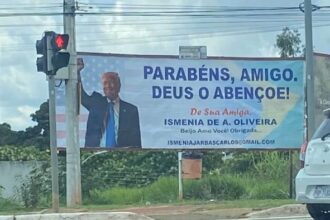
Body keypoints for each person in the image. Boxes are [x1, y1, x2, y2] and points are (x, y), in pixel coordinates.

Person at [77, 58, 141, 148]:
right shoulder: (96, 102)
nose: (108, 86)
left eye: (112, 83)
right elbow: (81, 96)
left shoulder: (131, 110)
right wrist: (76, 73)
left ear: (119, 86)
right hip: (95, 152)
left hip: (121, 154)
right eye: (105, 83)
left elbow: (136, 141)